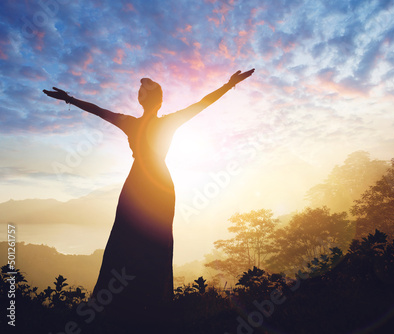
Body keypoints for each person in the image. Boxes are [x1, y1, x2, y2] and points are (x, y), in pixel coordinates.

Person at [42, 69, 255, 329]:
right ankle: (149, 305)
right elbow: (201, 104)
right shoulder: (161, 122)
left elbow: (98, 110)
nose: (139, 93)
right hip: (156, 187)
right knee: (148, 242)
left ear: (147, 100)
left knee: (128, 241)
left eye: (142, 91)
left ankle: (125, 306)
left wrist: (70, 99)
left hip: (140, 186)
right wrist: (70, 99)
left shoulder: (133, 123)